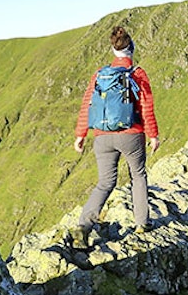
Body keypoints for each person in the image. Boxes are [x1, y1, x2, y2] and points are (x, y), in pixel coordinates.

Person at [68, 26, 160, 248]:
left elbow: (87, 105)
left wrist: (81, 134)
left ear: (113, 49)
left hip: (102, 137)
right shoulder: (137, 73)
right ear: (132, 48)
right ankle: (141, 223)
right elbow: (146, 106)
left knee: (105, 182)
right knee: (138, 176)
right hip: (131, 135)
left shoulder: (100, 74)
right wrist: (153, 135)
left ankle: (84, 227)